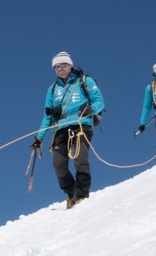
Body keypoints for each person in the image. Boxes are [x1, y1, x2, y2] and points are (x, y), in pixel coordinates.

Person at [31, 51, 107, 208]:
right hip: (61, 128)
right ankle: (72, 192)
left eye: (62, 65)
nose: (59, 69)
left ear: (70, 65)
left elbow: (99, 101)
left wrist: (90, 110)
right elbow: (47, 116)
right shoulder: (52, 89)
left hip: (81, 124)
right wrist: (39, 138)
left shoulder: (85, 81)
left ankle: (82, 194)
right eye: (56, 67)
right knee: (58, 164)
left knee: (80, 160)